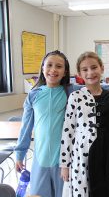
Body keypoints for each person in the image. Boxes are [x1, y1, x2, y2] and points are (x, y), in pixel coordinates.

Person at [14, 50, 78, 197]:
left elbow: (96, 89)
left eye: (59, 66)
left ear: (65, 71)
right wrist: (19, 154)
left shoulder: (71, 92)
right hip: (40, 160)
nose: (53, 70)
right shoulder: (34, 94)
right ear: (42, 68)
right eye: (49, 65)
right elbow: (26, 128)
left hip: (63, 162)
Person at [60, 51, 109, 197]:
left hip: (105, 154)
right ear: (79, 74)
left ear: (101, 68)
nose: (90, 72)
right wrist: (64, 165)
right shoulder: (75, 97)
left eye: (94, 67)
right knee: (84, 190)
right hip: (81, 155)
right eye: (85, 70)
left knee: (103, 190)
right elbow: (68, 131)